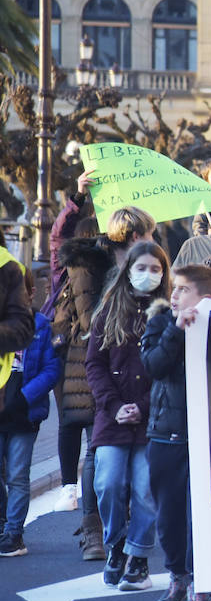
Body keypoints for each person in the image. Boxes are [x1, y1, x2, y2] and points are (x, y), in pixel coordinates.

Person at [48, 189, 152, 556]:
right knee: (97, 448)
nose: (152, 240)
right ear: (134, 235)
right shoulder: (91, 263)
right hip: (94, 364)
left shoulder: (145, 265)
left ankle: (120, 525)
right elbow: (91, 318)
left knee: (124, 451)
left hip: (131, 365)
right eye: (148, 234)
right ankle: (95, 529)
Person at [87, 240, 169, 591]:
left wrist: (144, 407)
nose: (148, 274)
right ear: (128, 270)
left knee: (145, 489)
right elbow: (95, 364)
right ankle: (116, 544)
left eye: (155, 269)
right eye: (141, 268)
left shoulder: (168, 315)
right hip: (112, 418)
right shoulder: (108, 311)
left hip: (152, 420)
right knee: (108, 482)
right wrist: (115, 405)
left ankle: (138, 556)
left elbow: (170, 369)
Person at [142, 264, 211, 601]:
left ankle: (200, 585)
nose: (173, 295)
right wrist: (176, 329)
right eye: (173, 288)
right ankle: (177, 577)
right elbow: (154, 365)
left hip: (208, 436)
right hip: (166, 433)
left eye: (183, 290)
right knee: (169, 513)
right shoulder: (160, 323)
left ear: (206, 298)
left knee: (200, 515)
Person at [0, 268, 57, 558]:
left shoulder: (40, 325)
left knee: (18, 475)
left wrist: (26, 396)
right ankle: (3, 524)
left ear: (31, 294)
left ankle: (14, 534)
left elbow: (51, 369)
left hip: (24, 412)